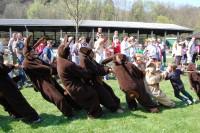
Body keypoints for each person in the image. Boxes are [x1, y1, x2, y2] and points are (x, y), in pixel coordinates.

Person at [23, 35, 73, 118]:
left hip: (49, 79)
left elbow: (47, 65)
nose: (34, 51)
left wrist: (57, 65)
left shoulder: (35, 59)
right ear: (29, 53)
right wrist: (54, 68)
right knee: (59, 98)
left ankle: (76, 106)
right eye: (32, 51)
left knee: (64, 93)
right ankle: (69, 114)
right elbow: (45, 68)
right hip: (43, 84)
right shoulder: (27, 63)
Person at [57, 36, 103, 118]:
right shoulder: (67, 64)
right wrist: (90, 72)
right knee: (92, 93)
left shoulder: (60, 60)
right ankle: (93, 114)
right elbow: (82, 73)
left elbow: (76, 70)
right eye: (68, 51)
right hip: (74, 87)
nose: (70, 52)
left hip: (70, 86)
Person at [0, 52, 41, 123]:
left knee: (12, 101)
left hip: (5, 84)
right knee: (17, 101)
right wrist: (11, 66)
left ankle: (25, 116)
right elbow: (3, 69)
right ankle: (33, 117)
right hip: (5, 85)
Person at [79, 47, 122, 113]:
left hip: (96, 80)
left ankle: (117, 104)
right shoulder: (84, 60)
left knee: (109, 89)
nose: (93, 53)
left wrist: (108, 69)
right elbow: (95, 71)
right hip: (91, 83)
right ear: (87, 53)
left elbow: (99, 66)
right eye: (91, 52)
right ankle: (114, 108)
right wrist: (107, 70)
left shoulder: (90, 59)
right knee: (105, 94)